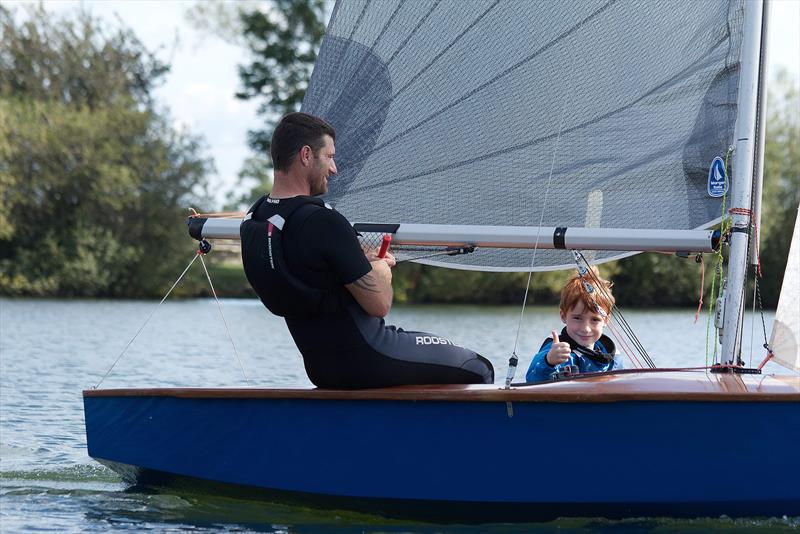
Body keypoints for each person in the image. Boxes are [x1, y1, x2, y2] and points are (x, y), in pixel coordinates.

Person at [240, 112, 494, 389]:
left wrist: (361, 263)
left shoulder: (257, 218)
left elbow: (316, 273)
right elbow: (379, 304)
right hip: (371, 357)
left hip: (321, 369)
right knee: (478, 367)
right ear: (306, 155)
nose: (334, 169)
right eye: (329, 156)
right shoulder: (323, 221)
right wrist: (380, 268)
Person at [525, 269, 622, 383]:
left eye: (595, 319)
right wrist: (548, 362)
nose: (586, 329)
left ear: (606, 320)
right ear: (563, 316)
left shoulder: (612, 355)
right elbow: (532, 380)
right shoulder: (556, 350)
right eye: (577, 318)